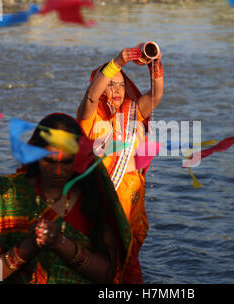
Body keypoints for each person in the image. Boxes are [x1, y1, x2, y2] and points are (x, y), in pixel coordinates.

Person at [0, 113, 132, 284]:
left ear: (80, 156)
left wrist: (61, 244)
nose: (57, 171)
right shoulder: (6, 195)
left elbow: (107, 275)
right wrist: (29, 246)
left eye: (67, 162)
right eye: (48, 161)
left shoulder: (93, 195)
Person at [77, 44, 164, 283]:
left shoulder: (135, 113)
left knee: (130, 273)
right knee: (104, 272)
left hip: (133, 209)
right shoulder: (90, 118)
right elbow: (91, 96)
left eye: (121, 84)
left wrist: (155, 64)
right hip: (103, 210)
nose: (117, 90)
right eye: (110, 84)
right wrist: (118, 61)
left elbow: (156, 94)